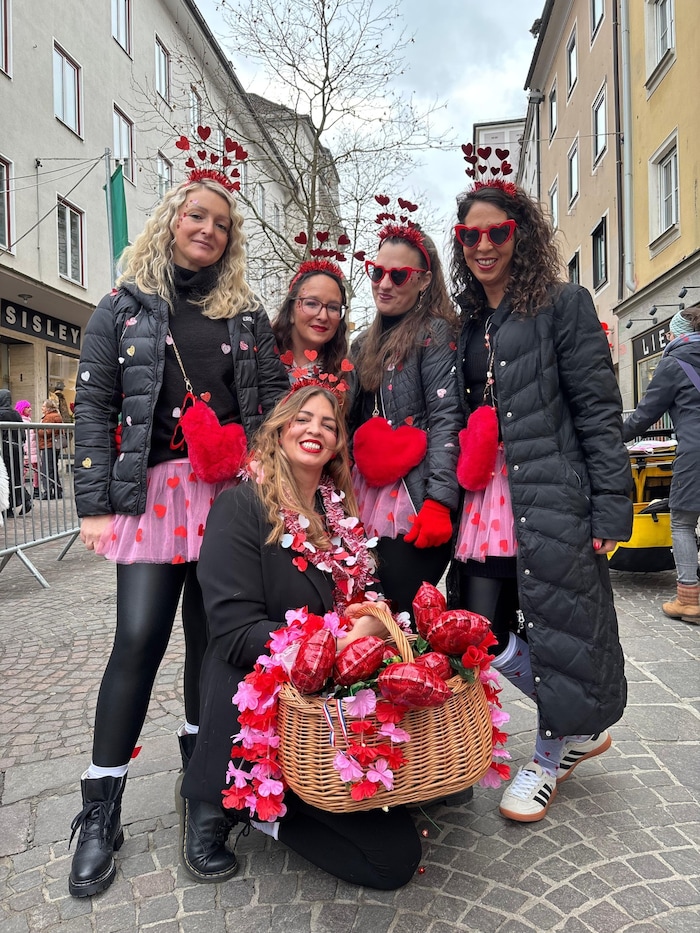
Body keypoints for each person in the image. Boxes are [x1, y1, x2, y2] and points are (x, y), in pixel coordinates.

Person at [68, 159, 289, 898]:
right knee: (137, 639)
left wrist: (270, 469)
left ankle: (204, 797)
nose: (209, 230)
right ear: (172, 221)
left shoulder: (246, 315)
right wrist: (94, 503)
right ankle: (100, 808)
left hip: (226, 497)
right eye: (198, 216)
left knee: (214, 642)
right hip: (154, 497)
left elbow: (274, 405)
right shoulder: (123, 307)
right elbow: (93, 405)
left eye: (222, 225)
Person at [180, 384, 421, 889]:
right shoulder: (241, 507)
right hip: (262, 715)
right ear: (278, 428)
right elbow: (232, 632)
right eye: (303, 419)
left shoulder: (339, 517)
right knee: (393, 862)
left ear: (337, 445)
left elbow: (369, 598)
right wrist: (334, 641)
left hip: (326, 712)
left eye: (329, 425)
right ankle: (237, 803)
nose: (315, 430)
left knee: (411, 823)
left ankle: (309, 794)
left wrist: (375, 620)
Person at [447, 172, 633, 823]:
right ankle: (579, 723)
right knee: (481, 633)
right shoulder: (468, 324)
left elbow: (598, 411)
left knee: (557, 629)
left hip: (550, 497)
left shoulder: (564, 304)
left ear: (518, 233)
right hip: (483, 508)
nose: (483, 244)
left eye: (496, 231)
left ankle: (548, 756)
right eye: (470, 235)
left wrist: (612, 504)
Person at [348, 216, 462, 617]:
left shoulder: (435, 332)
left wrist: (440, 502)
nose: (384, 283)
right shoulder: (361, 343)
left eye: (398, 275)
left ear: (423, 281)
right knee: (373, 610)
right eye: (377, 271)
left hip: (415, 502)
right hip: (366, 498)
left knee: (399, 608)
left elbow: (447, 416)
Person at [623, 305, 700, 624]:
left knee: (682, 520)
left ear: (680, 333)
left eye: (671, 331)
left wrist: (608, 436)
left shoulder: (675, 361)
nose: (668, 336)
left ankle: (689, 599)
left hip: (696, 452)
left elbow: (644, 416)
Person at [272, 258, 349, 381]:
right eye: (312, 304)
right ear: (291, 310)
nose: (323, 316)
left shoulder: (347, 376)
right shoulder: (259, 362)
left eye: (333, 308)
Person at [0, 388, 28, 515]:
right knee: (15, 477)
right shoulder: (16, 414)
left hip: (4, 449)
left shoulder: (0, 413)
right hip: (17, 449)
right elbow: (23, 434)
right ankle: (16, 503)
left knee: (4, 478)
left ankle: (6, 509)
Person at [38, 398, 64, 500]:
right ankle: (58, 491)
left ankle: (47, 492)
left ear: (48, 408)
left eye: (44, 406)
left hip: (48, 445)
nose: (42, 408)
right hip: (54, 445)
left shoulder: (49, 417)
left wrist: (38, 430)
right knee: (53, 468)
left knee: (46, 469)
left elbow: (46, 432)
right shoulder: (57, 415)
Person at [15, 400, 40, 497]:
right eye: (27, 407)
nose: (30, 409)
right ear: (22, 409)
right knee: (24, 471)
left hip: (31, 450)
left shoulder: (28, 420)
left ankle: (31, 490)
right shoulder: (21, 421)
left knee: (33, 470)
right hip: (26, 450)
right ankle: (24, 492)